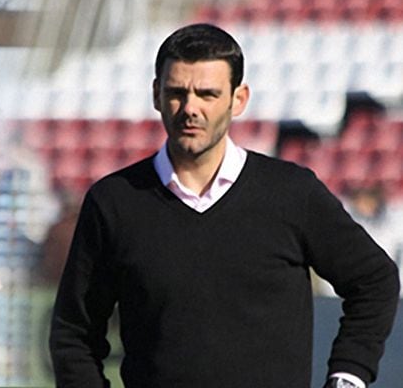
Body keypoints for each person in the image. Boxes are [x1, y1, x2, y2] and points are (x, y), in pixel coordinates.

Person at [49, 23, 399, 388]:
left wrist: (348, 376)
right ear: (156, 94)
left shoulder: (292, 193)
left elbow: (375, 280)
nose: (190, 108)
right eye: (176, 92)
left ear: (238, 99)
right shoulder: (114, 203)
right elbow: (74, 334)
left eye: (208, 94)